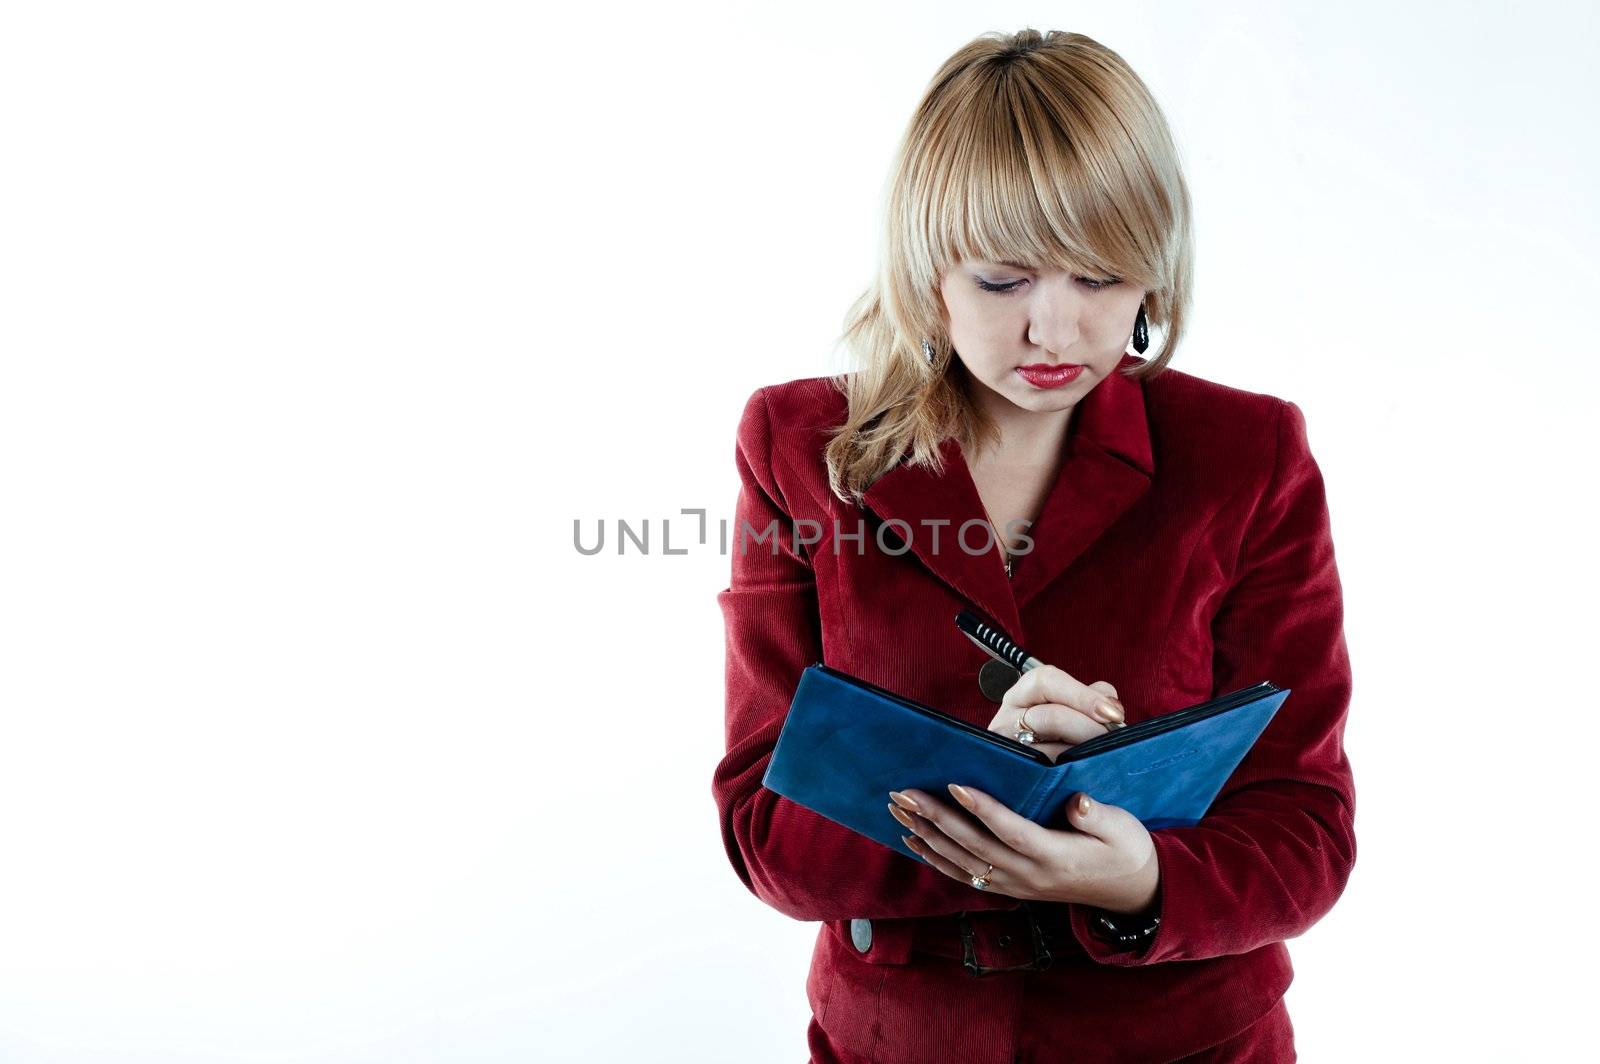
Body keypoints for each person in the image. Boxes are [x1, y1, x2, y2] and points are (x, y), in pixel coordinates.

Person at [711, 29, 1354, 1064]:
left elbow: (1306, 828)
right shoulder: (798, 445)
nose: (1052, 331)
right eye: (1004, 281)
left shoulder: (1248, 454)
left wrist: (1138, 878)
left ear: (1153, 270)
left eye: (1098, 278)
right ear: (928, 275)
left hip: (1185, 1042)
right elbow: (761, 829)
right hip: (898, 1041)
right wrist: (987, 777)